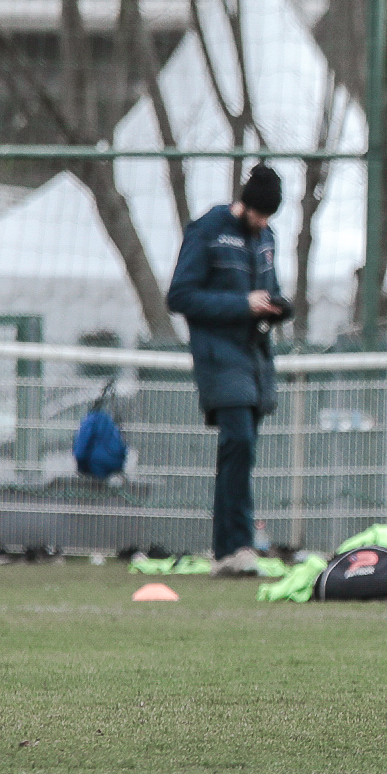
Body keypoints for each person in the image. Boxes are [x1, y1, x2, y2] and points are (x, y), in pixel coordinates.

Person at [167, 164, 293, 577]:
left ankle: (227, 550)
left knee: (239, 452)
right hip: (220, 356)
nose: (262, 223)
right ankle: (238, 544)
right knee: (238, 441)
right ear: (245, 204)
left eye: (268, 217)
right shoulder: (207, 230)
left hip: (256, 358)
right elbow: (180, 296)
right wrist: (241, 304)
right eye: (259, 214)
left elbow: (266, 290)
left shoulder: (267, 237)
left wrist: (275, 306)